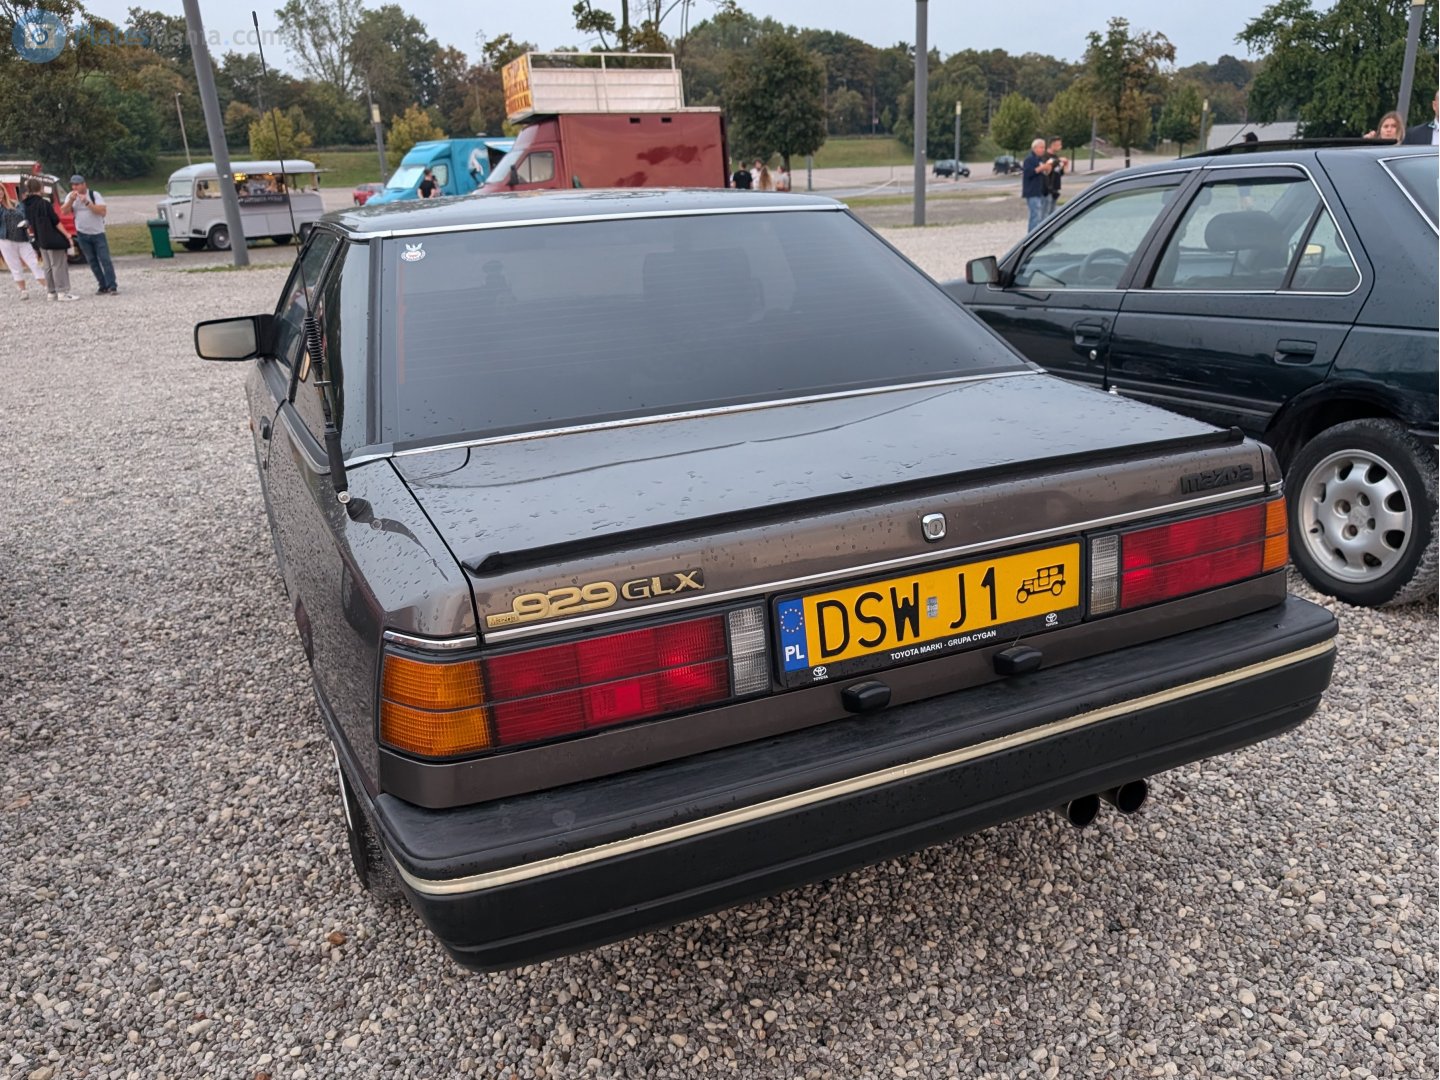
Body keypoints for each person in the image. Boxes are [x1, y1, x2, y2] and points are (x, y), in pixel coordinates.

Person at [22, 178, 76, 301]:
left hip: (40, 238)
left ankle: (51, 292)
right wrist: (67, 234)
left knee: (48, 266)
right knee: (58, 264)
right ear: (40, 188)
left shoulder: (26, 204)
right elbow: (55, 221)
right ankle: (62, 292)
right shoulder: (44, 203)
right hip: (52, 237)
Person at [63, 174, 116, 295]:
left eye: (77, 185)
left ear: (84, 184)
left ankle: (112, 285)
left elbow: (102, 212)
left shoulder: (94, 195)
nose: (74, 187)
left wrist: (87, 202)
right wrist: (71, 200)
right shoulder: (70, 196)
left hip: (98, 233)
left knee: (105, 259)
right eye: (73, 185)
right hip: (82, 233)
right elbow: (64, 211)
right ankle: (102, 285)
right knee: (92, 261)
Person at [0, 186, 45, 300]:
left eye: (0, 190)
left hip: (23, 238)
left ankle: (48, 287)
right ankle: (23, 290)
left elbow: (26, 216)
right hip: (6, 240)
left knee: (34, 263)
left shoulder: (16, 204)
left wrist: (27, 222)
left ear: (3, 191)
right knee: (14, 266)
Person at [1021, 138, 1053, 233]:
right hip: (1032, 191)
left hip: (1041, 191)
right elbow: (1028, 173)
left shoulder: (1041, 159)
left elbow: (1045, 173)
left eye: (1044, 147)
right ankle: (1031, 236)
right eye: (1041, 147)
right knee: (1035, 215)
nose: (1043, 149)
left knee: (1043, 215)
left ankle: (1042, 235)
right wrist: (1040, 168)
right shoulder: (1029, 160)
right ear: (1034, 148)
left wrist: (1048, 168)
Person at [1043, 137, 1069, 218]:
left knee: (1052, 214)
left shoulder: (1056, 157)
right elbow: (1046, 170)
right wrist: (1057, 160)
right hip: (1047, 189)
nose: (1061, 146)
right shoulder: (1045, 156)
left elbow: (1061, 172)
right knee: (1045, 213)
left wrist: (1065, 164)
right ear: (1053, 145)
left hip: (1055, 188)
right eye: (1059, 144)